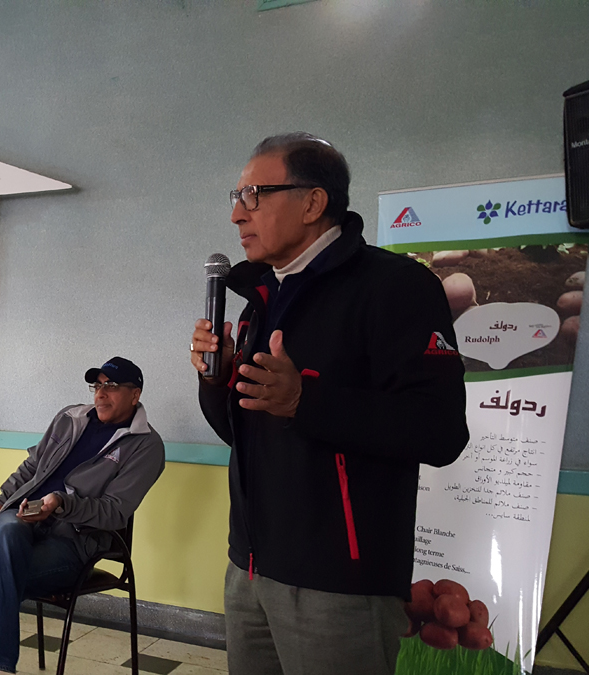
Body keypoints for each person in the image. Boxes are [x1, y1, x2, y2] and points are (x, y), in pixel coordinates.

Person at [189, 133, 469, 675]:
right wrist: (217, 380)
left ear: (313, 202)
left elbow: (440, 432)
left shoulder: (394, 287)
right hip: (249, 569)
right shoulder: (261, 298)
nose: (235, 214)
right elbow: (242, 432)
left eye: (253, 195)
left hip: (339, 584)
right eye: (235, 195)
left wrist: (304, 399)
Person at [0, 357, 165, 673]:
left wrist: (61, 504)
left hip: (75, 545)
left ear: (135, 394)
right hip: (24, 520)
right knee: (5, 527)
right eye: (97, 385)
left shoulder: (146, 445)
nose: (100, 394)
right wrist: (1, 501)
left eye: (111, 387)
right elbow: (33, 467)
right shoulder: (69, 417)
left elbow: (115, 512)